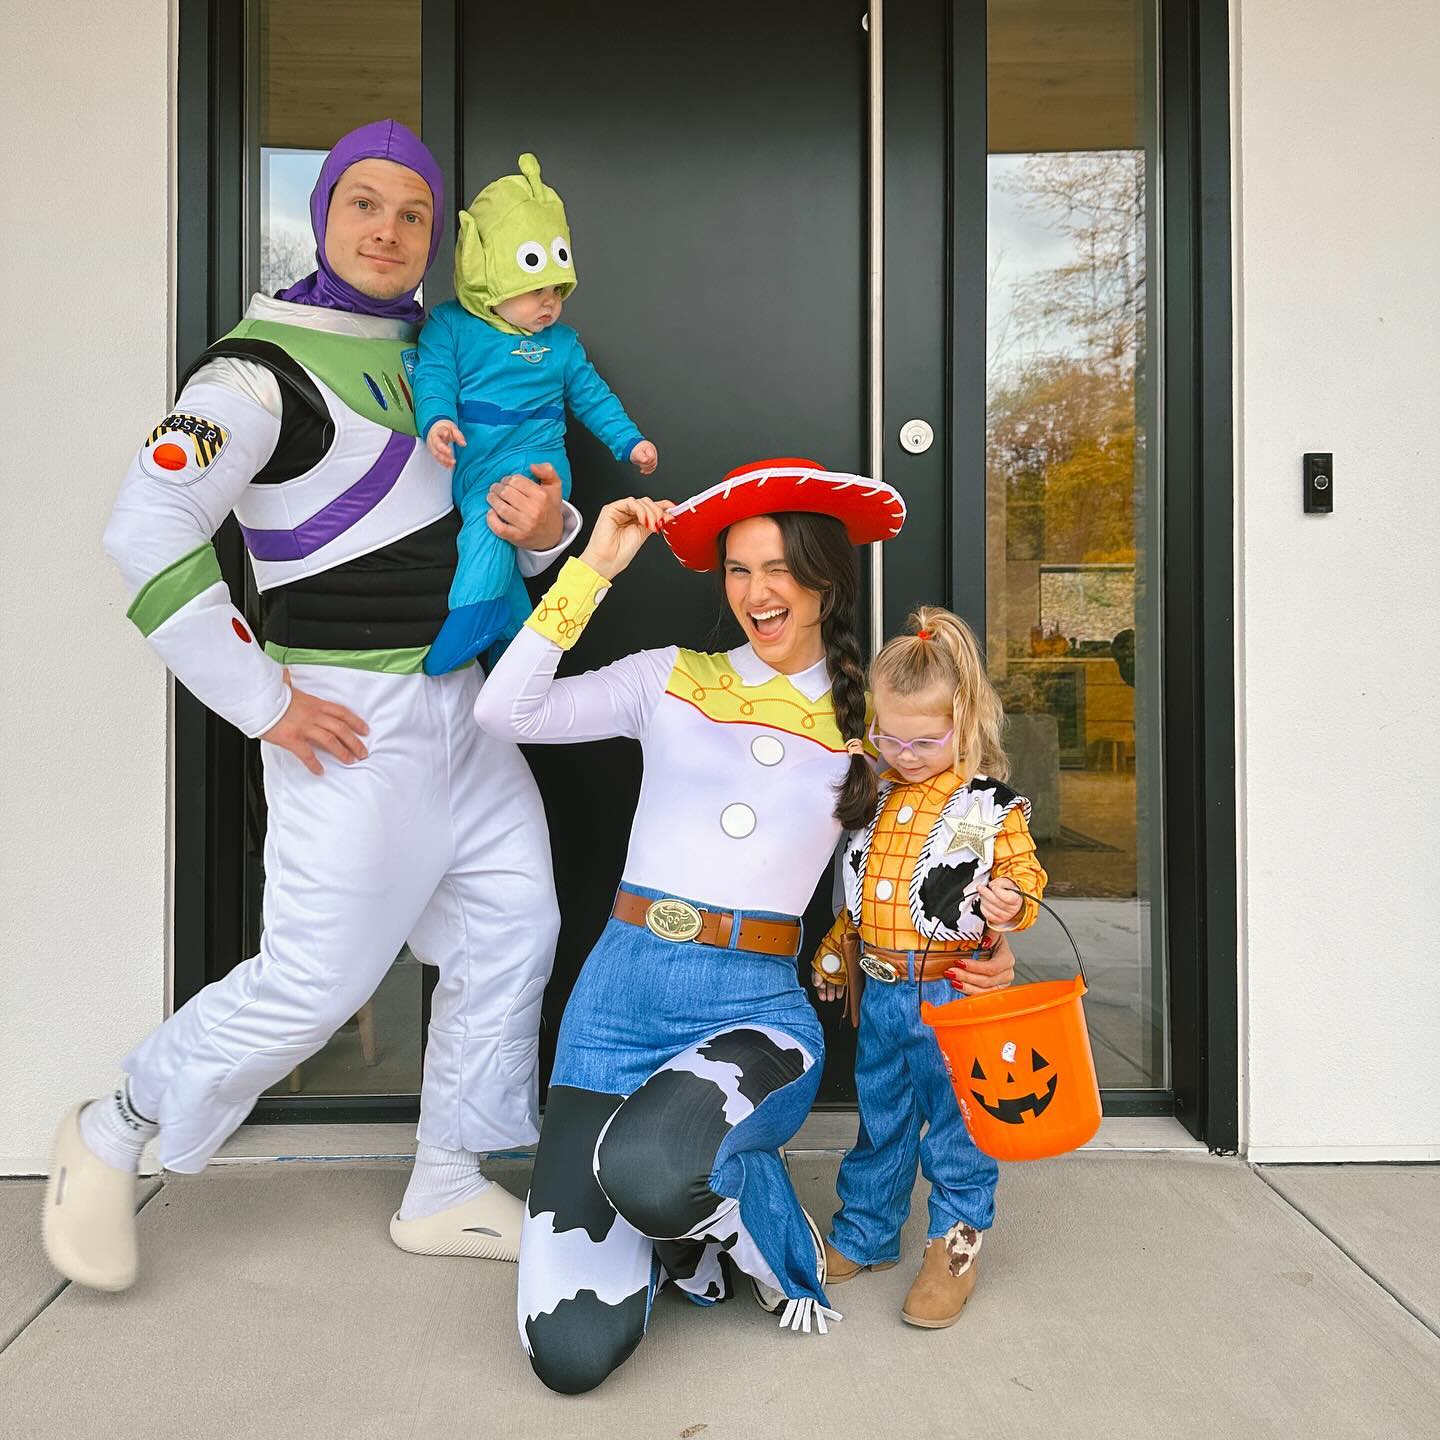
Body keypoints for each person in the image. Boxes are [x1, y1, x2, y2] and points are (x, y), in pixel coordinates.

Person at [43, 119, 572, 1294]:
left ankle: (447, 1177)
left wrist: (552, 532)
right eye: (363, 205)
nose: (387, 230)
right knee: (314, 983)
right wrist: (264, 701)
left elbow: (506, 524)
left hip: (465, 703)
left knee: (512, 929)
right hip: (343, 717)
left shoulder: (457, 348)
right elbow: (146, 529)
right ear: (326, 212)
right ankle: (114, 1127)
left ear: (440, 236)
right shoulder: (253, 369)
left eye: (413, 213)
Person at [473, 457, 1017, 1393]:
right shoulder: (669, 678)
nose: (755, 592)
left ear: (823, 583)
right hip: (614, 1004)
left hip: (754, 1016)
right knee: (569, 1358)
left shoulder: (870, 728)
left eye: (777, 569)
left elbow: (956, 835)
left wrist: (991, 936)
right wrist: (592, 566)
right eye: (737, 570)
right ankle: (688, 1232)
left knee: (649, 1173)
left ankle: (741, 1216)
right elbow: (503, 709)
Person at [810, 606, 1048, 1328]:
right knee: (880, 1121)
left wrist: (1009, 902)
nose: (905, 753)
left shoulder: (984, 807)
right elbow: (859, 897)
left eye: (926, 740)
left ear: (965, 720)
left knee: (957, 1127)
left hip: (951, 996)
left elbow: (1024, 876)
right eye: (890, 736)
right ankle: (867, 1232)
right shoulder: (873, 797)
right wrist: (834, 950)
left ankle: (954, 1248)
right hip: (881, 997)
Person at [414, 152, 657, 675]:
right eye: (534, 290)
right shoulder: (451, 327)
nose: (549, 304)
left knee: (490, 517)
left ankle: (469, 614)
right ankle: (512, 653)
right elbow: (434, 378)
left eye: (557, 291)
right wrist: (435, 421)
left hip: (539, 461)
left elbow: (593, 397)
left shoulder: (562, 344)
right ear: (487, 279)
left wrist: (629, 441)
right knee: (488, 522)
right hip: (474, 460)